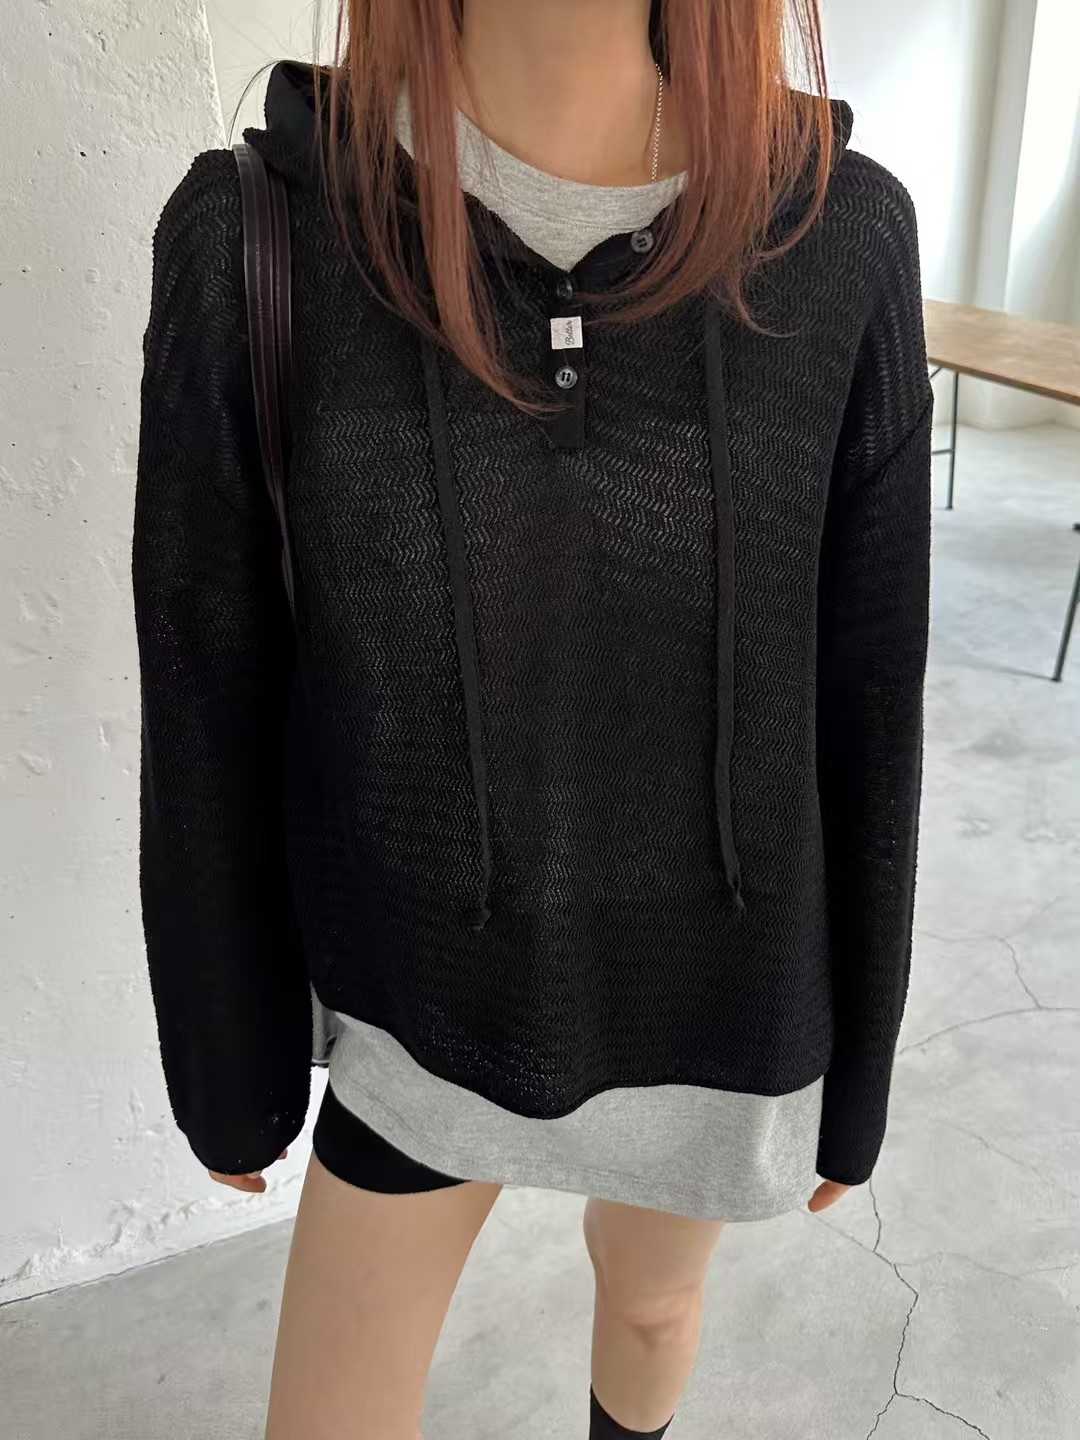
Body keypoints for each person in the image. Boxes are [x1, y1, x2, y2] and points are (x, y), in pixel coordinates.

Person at [132, 1, 933, 1436]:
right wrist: (225, 1057)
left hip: (716, 1001)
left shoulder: (841, 239)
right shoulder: (260, 236)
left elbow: (872, 686)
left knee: (654, 1309)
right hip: (419, 1004)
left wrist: (859, 1063)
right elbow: (209, 678)